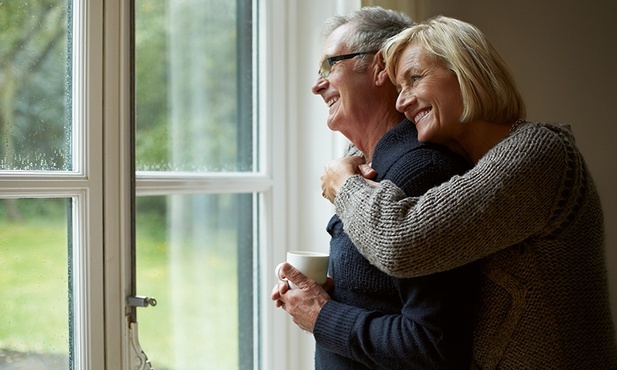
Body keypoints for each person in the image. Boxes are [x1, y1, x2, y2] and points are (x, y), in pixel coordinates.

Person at [319, 15, 617, 368]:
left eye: (414, 79)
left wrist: (345, 184)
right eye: (399, 89)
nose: (402, 102)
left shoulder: (539, 153)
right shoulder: (478, 168)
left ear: (466, 71)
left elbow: (401, 243)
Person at [272, 8, 481, 369]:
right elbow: (387, 300)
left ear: (381, 66)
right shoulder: (372, 169)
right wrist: (325, 297)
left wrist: (322, 315)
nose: (316, 85)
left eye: (328, 67)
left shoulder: (421, 172)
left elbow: (432, 345)